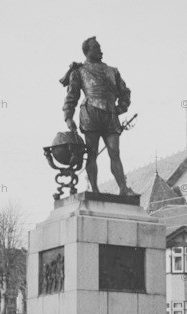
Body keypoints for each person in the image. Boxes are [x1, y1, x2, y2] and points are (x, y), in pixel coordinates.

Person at [62, 36, 135, 195]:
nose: (101, 50)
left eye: (100, 47)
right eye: (96, 47)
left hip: (110, 114)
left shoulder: (112, 71)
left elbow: (125, 92)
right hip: (90, 114)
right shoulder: (79, 71)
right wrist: (68, 117)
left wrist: (120, 108)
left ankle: (123, 188)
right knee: (92, 153)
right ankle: (94, 189)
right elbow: (71, 96)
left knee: (115, 152)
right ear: (87, 51)